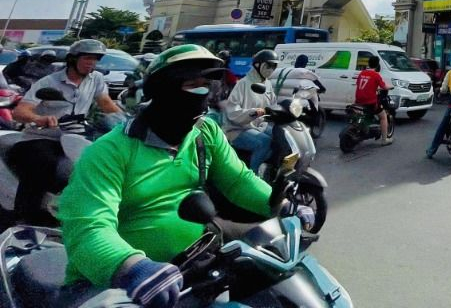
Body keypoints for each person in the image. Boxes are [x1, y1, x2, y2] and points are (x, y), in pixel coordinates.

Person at [58, 44, 286, 308]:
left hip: (192, 268)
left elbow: (238, 180)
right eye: (192, 85)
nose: (202, 94)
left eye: (206, 85)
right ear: (163, 90)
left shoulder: (205, 132)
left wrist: (279, 202)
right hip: (116, 284)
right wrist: (131, 267)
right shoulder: (110, 150)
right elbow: (88, 227)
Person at [10, 38, 124, 224]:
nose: (91, 63)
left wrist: (127, 122)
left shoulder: (96, 79)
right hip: (43, 137)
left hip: (77, 136)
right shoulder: (49, 82)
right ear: (72, 59)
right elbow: (20, 112)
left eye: (95, 59)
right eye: (87, 58)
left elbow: (106, 104)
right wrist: (40, 119)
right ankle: (25, 216)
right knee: (44, 163)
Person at [222, 49, 278, 172]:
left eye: (274, 66)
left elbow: (273, 103)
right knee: (264, 142)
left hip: (258, 125)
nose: (271, 69)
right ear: (258, 65)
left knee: (279, 134)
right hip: (237, 129)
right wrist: (254, 112)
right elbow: (232, 112)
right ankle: (253, 174)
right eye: (268, 65)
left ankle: (271, 169)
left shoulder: (267, 84)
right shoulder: (243, 84)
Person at [354, 54, 392, 146]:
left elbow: (360, 85)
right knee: (383, 116)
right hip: (369, 102)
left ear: (368, 63)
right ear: (377, 65)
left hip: (358, 101)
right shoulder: (376, 75)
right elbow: (384, 87)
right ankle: (384, 140)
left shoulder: (362, 73)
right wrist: (390, 87)